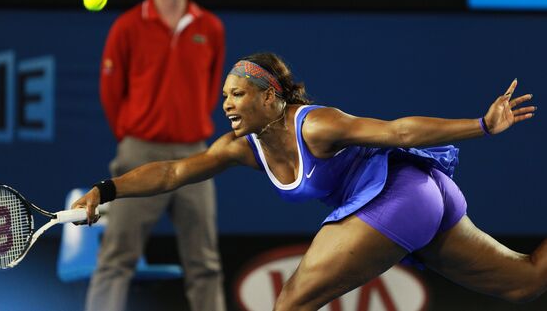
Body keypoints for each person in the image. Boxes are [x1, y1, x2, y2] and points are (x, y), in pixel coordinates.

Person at [76, 52, 546, 311]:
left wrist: (481, 125)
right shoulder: (240, 147)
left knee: (291, 305)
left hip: (398, 194)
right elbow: (173, 171)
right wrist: (107, 189)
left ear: (271, 97)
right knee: (525, 282)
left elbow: (398, 131)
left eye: (238, 94)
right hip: (422, 197)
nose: (227, 104)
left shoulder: (315, 125)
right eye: (224, 96)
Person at [84, 0, 226, 310]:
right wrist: (133, 135)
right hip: (140, 152)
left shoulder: (210, 27)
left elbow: (212, 90)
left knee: (205, 263)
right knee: (117, 258)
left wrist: (188, 124)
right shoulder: (129, 25)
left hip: (196, 154)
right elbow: (110, 92)